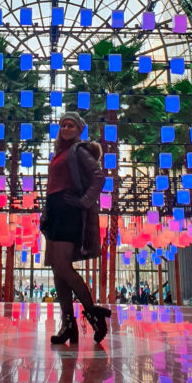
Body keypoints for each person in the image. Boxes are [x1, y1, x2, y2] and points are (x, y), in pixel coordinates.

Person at [40, 111, 110, 344]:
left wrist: (84, 201)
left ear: (79, 130)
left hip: (68, 210)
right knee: (57, 270)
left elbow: (99, 176)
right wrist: (45, 213)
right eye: (63, 125)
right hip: (54, 210)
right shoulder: (59, 154)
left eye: (71, 125)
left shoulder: (78, 151)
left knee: (62, 265)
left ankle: (93, 313)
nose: (66, 128)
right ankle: (68, 324)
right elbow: (52, 185)